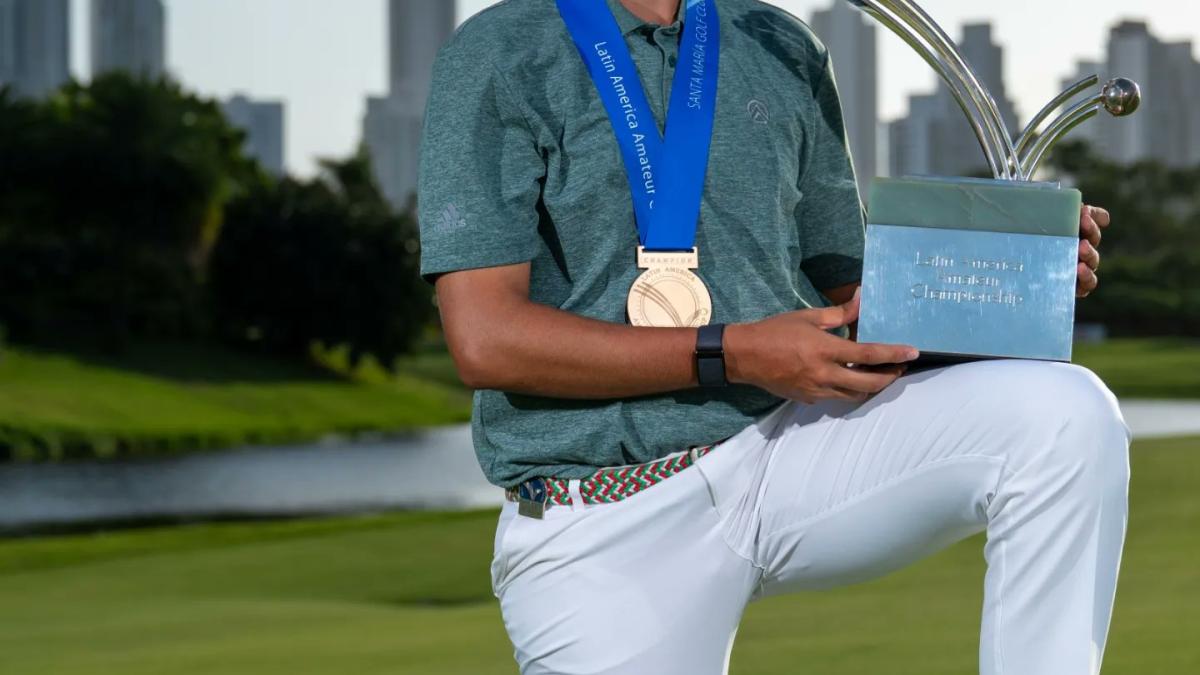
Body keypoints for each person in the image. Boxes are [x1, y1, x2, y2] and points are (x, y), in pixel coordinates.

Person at [417, 0, 1130, 673]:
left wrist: (1003, 278)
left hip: (785, 450)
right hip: (602, 509)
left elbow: (860, 303)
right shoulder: (501, 50)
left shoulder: (779, 42)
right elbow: (487, 339)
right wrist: (736, 351)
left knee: (1062, 415)